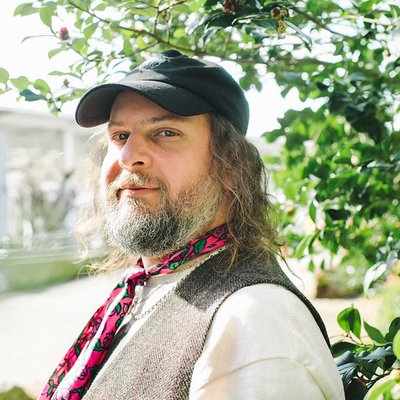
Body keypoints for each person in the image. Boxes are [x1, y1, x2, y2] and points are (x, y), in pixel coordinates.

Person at [39, 50, 345, 399]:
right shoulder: (141, 287)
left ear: (230, 165)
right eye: (120, 136)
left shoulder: (257, 322)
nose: (128, 156)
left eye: (166, 132)